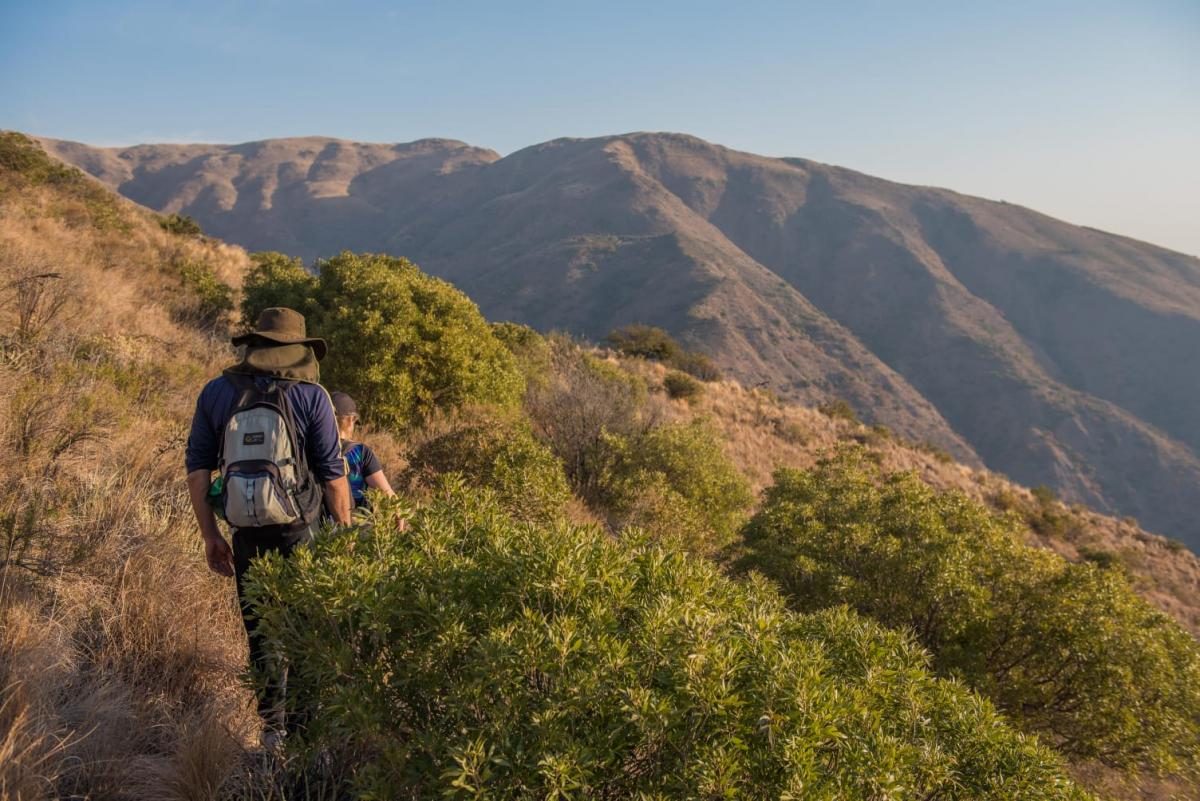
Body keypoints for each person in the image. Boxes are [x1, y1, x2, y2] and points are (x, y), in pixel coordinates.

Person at [184, 307, 351, 746]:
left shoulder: (216, 393)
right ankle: (303, 732)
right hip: (302, 530)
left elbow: (198, 472)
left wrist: (210, 536)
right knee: (305, 631)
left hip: (245, 532)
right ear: (297, 349)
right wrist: (344, 536)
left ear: (253, 345)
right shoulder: (312, 397)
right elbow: (334, 478)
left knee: (260, 629)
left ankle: (271, 729)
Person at [330, 391, 395, 509]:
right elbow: (389, 497)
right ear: (350, 421)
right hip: (354, 523)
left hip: (320, 524)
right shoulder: (360, 452)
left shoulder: (311, 449)